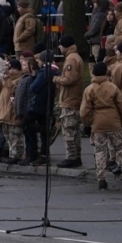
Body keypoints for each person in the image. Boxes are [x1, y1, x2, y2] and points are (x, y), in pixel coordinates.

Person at [80, 62, 122, 188]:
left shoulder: (89, 89)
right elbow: (121, 107)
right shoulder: (113, 87)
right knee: (121, 147)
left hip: (98, 123)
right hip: (113, 121)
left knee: (99, 151)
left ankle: (101, 179)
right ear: (106, 73)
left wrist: (87, 126)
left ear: (93, 73)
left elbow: (84, 112)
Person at [53, 36, 87, 168]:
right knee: (72, 130)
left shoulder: (71, 58)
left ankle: (72, 156)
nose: (59, 48)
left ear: (65, 46)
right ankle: (74, 156)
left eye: (60, 45)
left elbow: (69, 79)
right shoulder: (74, 57)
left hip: (70, 99)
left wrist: (55, 79)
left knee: (70, 130)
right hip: (72, 98)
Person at [0, 58, 25, 164]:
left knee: (15, 136)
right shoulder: (7, 80)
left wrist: (6, 75)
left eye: (13, 69)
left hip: (12, 112)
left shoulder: (17, 80)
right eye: (10, 68)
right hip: (4, 111)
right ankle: (12, 153)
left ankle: (17, 154)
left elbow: (11, 88)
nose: (11, 71)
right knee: (8, 135)